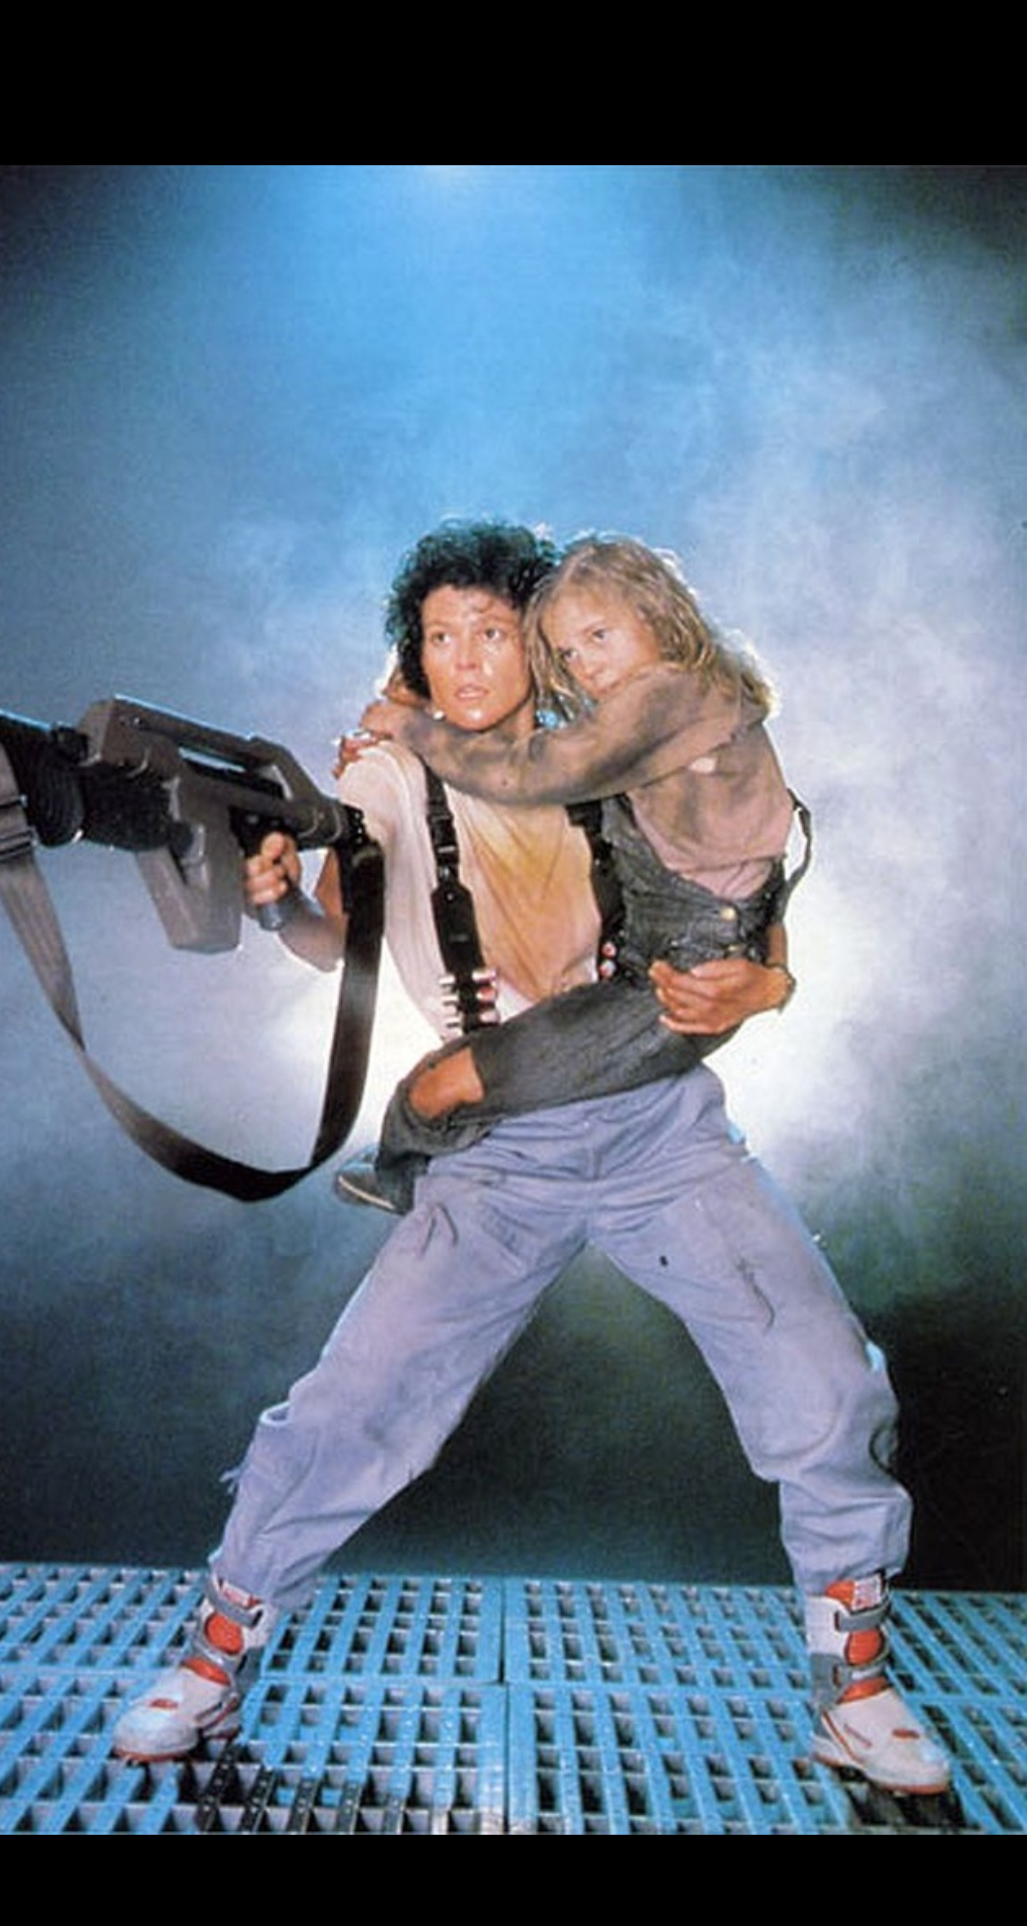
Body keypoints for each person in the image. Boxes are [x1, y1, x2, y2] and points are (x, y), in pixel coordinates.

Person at [111, 519, 951, 1796]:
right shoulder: (392, 775)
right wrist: (278, 896)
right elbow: (336, 930)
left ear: (542, 645)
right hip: (498, 1157)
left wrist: (767, 982)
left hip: (659, 1129)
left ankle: (858, 1684)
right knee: (351, 1406)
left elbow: (749, 890)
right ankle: (215, 1658)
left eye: (491, 633)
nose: (462, 660)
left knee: (825, 1382)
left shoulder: (611, 742)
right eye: (437, 637)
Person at [350, 533, 807, 1212]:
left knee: (439, 1088)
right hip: (668, 959)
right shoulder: (675, 704)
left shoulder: (665, 700)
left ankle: (397, 1173)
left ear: (656, 615)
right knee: (453, 1078)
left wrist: (410, 725)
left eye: (599, 637)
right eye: (568, 653)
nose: (587, 665)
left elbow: (527, 771)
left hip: (680, 978)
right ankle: (423, 1171)